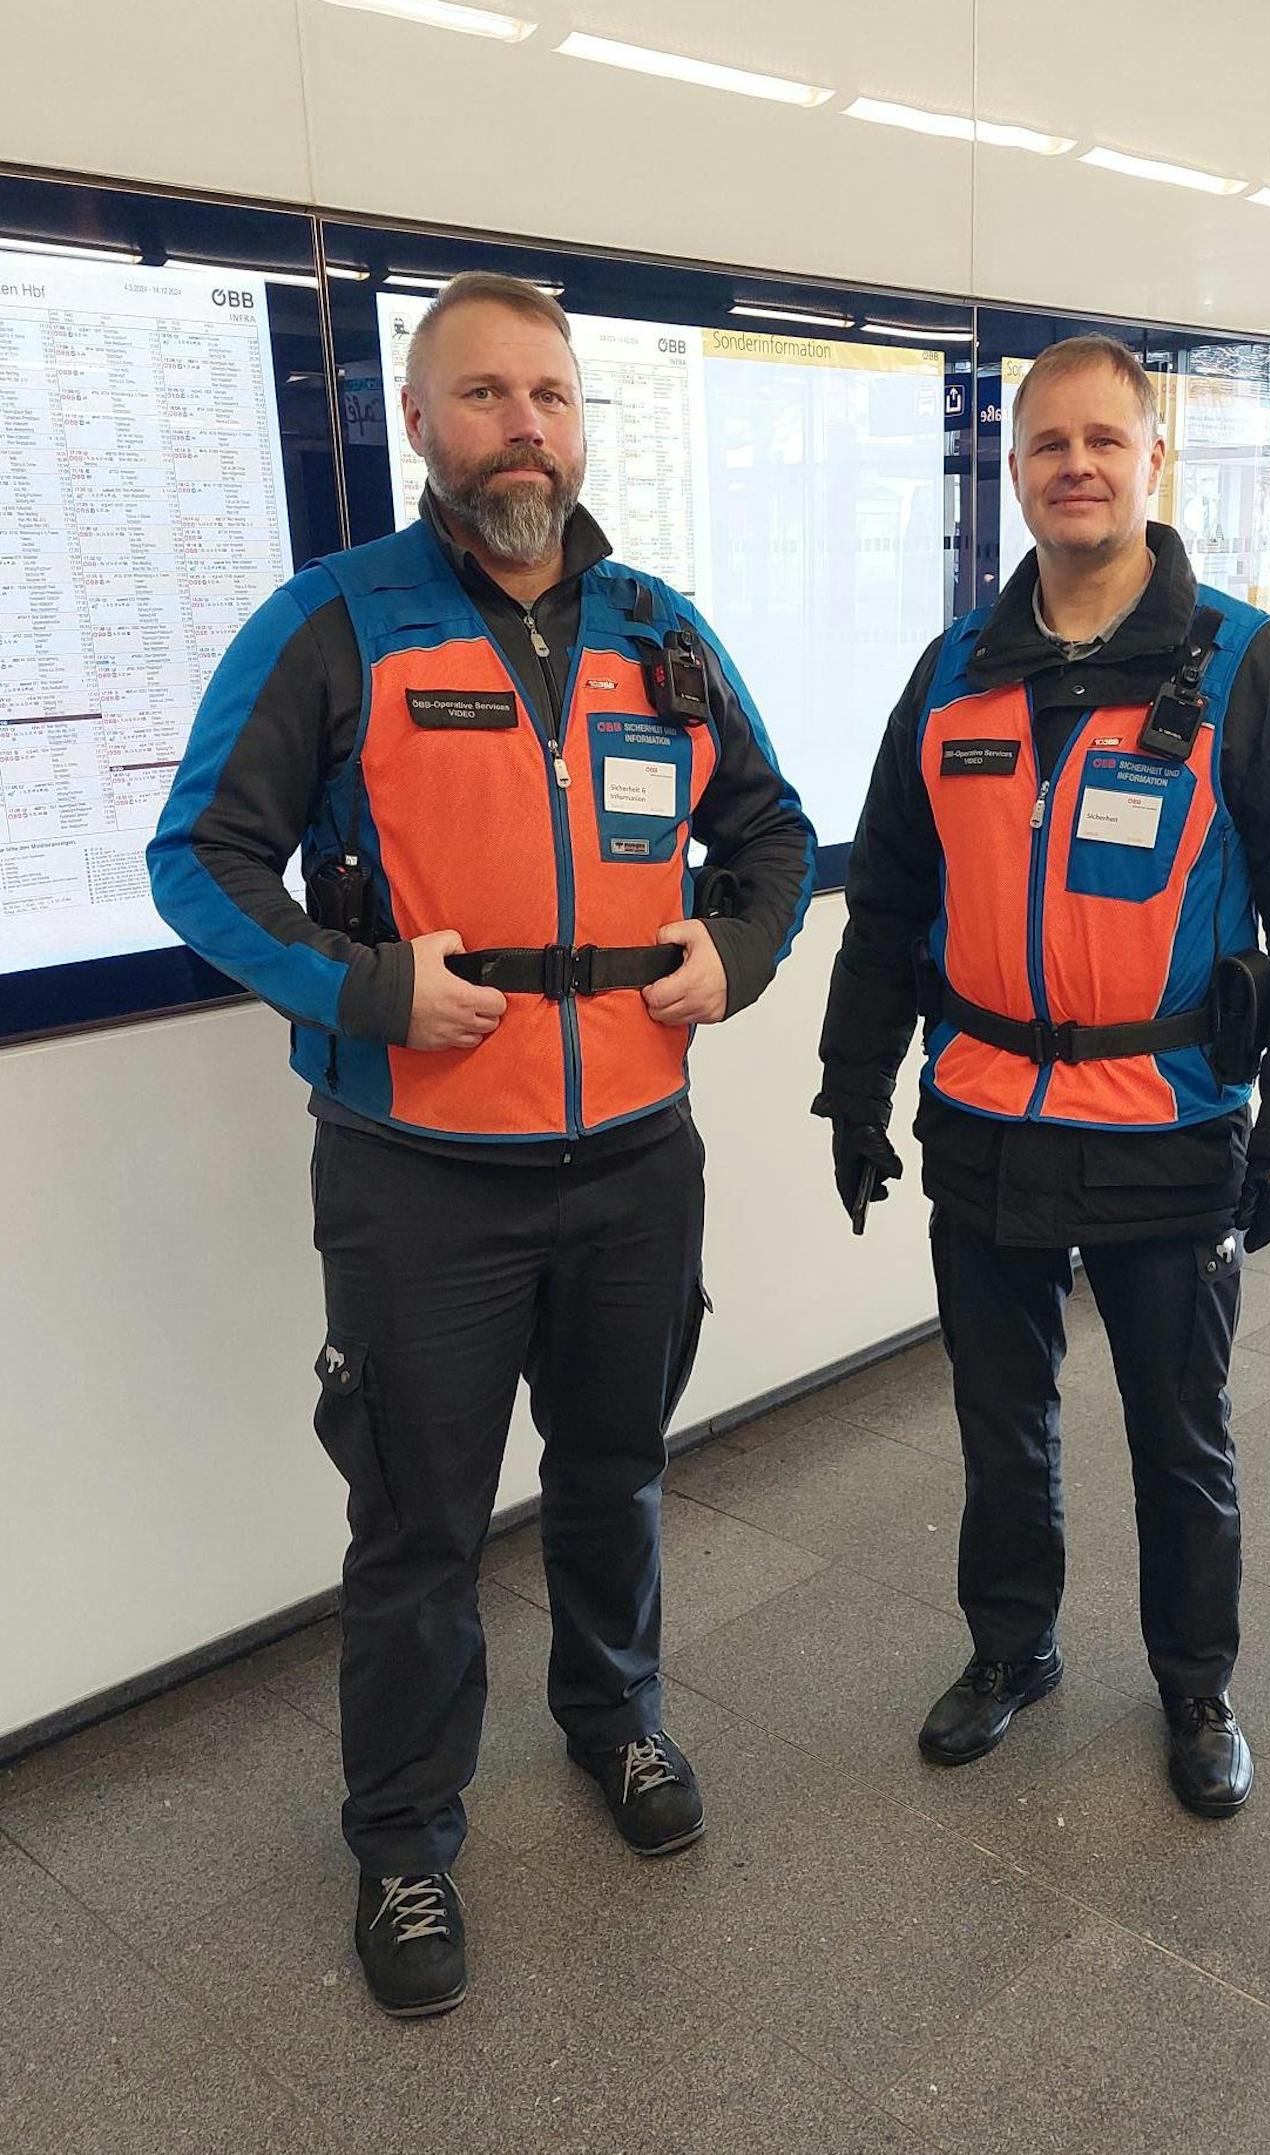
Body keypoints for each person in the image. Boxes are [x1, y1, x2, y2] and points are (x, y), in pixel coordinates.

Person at [150, 272, 814, 2016]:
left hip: (633, 1162)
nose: (525, 424)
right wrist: (364, 988)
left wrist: (732, 958)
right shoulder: (336, 622)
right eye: (486, 395)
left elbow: (776, 837)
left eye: (552, 394)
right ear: (420, 421)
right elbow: (197, 859)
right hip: (421, 1178)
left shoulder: (660, 632)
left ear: (582, 423)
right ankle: (401, 1841)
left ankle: (619, 1727)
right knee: (420, 1527)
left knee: (614, 1478)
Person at [814, 335, 1270, 1820]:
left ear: (1152, 461)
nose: (1076, 465)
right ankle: (1012, 1652)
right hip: (988, 1123)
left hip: (1168, 1127)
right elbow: (889, 901)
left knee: (1176, 1435)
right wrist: (853, 1088)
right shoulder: (950, 676)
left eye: (1104, 440)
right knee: (1001, 1427)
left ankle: (1197, 1686)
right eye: (1047, 445)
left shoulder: (1249, 668)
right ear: (1013, 474)